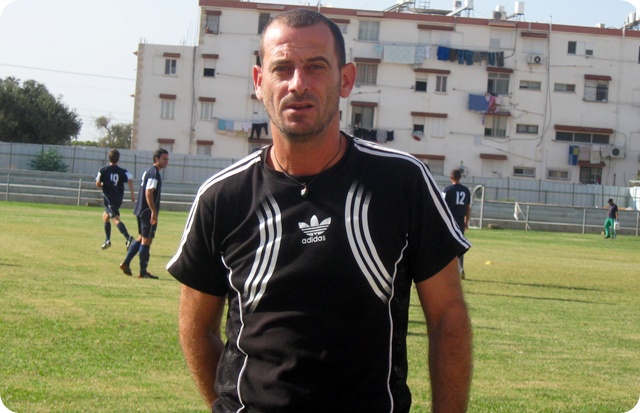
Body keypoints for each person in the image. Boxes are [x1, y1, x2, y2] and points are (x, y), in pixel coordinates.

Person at [167, 9, 472, 413]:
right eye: (282, 68)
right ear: (259, 81)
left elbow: (448, 316)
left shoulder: (402, 182)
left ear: (345, 79)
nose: (298, 84)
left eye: (316, 67)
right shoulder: (222, 196)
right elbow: (196, 326)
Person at [119, 149, 169, 279]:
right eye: (164, 159)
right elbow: (149, 192)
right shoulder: (154, 174)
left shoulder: (148, 171)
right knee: (146, 241)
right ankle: (143, 272)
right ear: (156, 159)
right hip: (147, 211)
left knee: (141, 238)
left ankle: (126, 263)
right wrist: (153, 211)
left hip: (140, 209)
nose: (166, 161)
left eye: (167, 159)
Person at [95, 149, 135, 250]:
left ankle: (128, 237)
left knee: (115, 219)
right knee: (105, 216)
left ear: (109, 158)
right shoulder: (122, 171)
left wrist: (104, 186)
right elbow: (130, 181)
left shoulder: (103, 170)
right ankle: (107, 240)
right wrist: (132, 195)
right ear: (118, 159)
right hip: (118, 198)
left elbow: (97, 183)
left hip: (110, 199)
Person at [443, 169, 472, 279]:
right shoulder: (466, 190)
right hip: (460, 221)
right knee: (460, 245)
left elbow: (441, 205)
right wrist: (466, 222)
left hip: (449, 221)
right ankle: (460, 269)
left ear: (451, 178)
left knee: (447, 245)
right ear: (460, 177)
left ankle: (447, 270)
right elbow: (468, 208)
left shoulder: (447, 190)